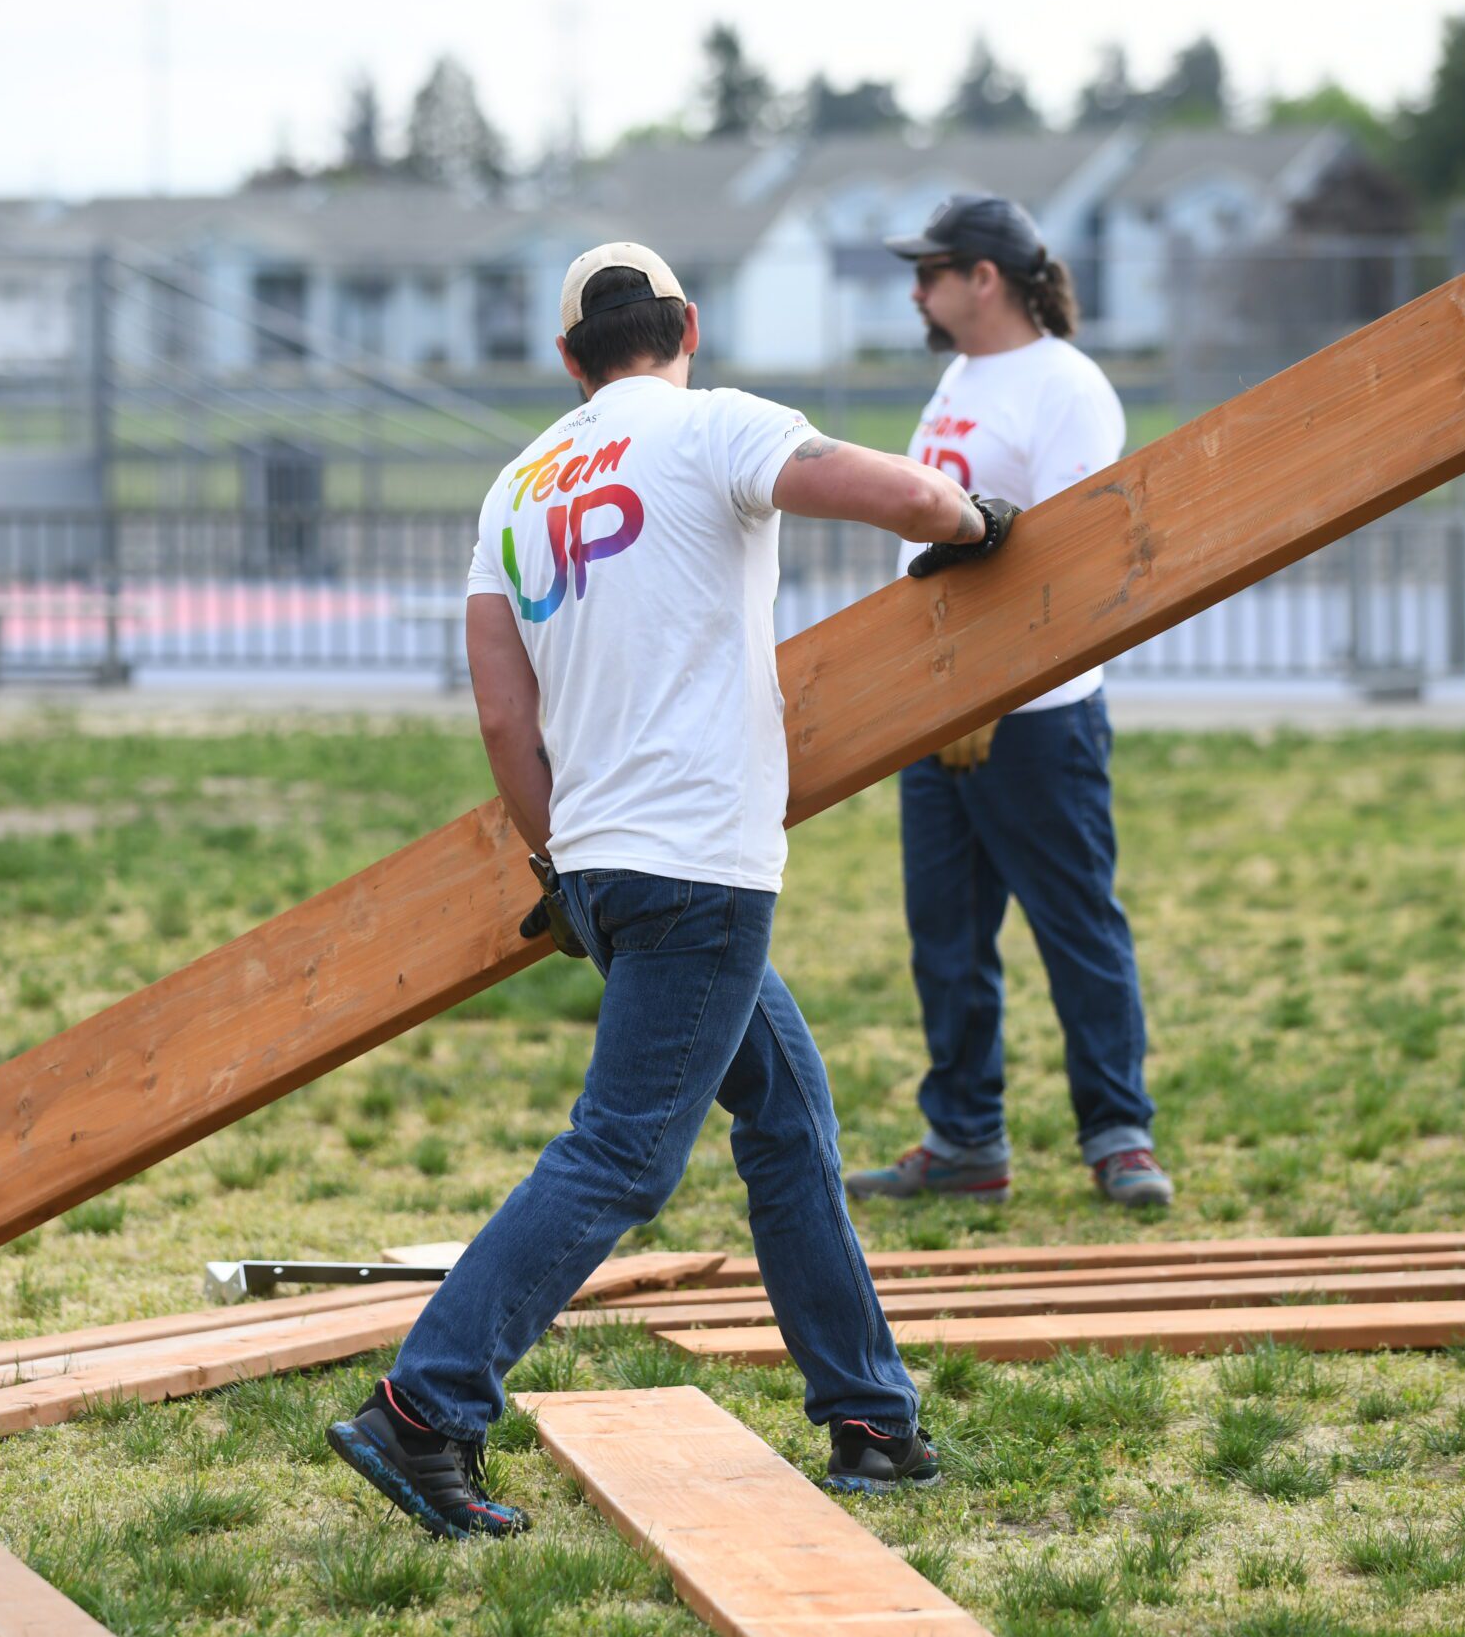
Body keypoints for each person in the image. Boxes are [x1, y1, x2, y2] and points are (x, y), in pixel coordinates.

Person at [326, 242, 1020, 1539]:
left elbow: (501, 716)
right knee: (624, 1155)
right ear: (688, 324)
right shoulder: (714, 428)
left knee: (786, 1109)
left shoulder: (517, 486)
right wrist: (980, 523)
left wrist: (562, 859)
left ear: (568, 357)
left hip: (597, 859)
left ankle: (871, 1415)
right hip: (700, 860)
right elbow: (916, 503)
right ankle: (425, 1406)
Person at [843, 195, 1172, 1212]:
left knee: (1074, 923)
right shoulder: (962, 375)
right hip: (937, 703)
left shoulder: (1066, 386)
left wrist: (998, 687)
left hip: (1035, 711)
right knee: (944, 935)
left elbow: (1063, 559)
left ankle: (1118, 1135)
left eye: (931, 271)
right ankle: (964, 1140)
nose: (916, 290)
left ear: (985, 277)